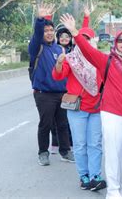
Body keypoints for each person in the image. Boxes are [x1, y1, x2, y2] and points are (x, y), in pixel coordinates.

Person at [60, 13, 122, 199]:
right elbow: (87, 50)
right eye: (121, 40)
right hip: (113, 114)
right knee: (113, 153)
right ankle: (113, 191)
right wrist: (75, 32)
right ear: (115, 43)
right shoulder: (106, 60)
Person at [52, 23, 106, 191]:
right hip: (78, 109)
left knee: (95, 144)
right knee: (80, 144)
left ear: (93, 41)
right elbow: (57, 75)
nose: (84, 42)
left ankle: (95, 176)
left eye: (87, 39)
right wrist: (60, 63)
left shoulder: (99, 59)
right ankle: (84, 176)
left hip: (96, 108)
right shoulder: (71, 58)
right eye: (81, 39)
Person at [28, 3, 74, 166]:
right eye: (45, 31)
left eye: (51, 31)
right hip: (44, 94)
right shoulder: (36, 47)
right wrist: (41, 19)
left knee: (62, 124)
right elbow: (37, 33)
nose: (48, 33)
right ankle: (43, 152)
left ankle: (65, 151)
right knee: (45, 124)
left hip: (61, 93)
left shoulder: (59, 49)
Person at [50, 23, 74, 154]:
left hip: (69, 90)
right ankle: (54, 143)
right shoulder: (53, 49)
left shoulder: (74, 50)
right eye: (62, 36)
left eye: (67, 36)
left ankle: (69, 143)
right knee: (54, 120)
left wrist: (86, 18)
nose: (64, 38)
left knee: (67, 119)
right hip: (55, 88)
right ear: (57, 37)